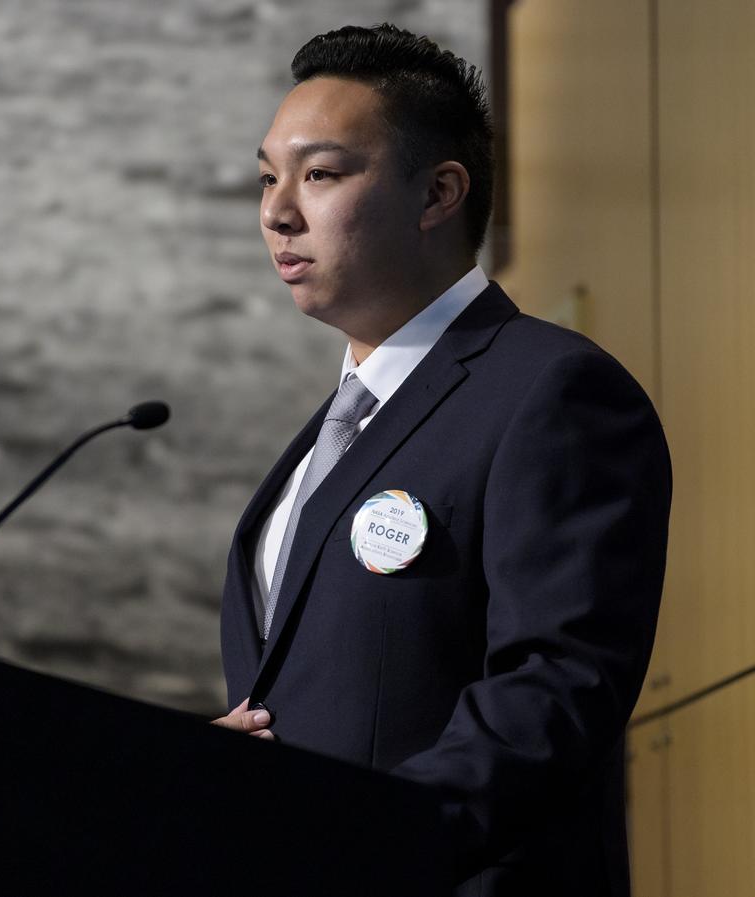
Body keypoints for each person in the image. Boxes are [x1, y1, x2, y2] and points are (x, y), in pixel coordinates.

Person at [210, 24, 671, 897]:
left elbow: (556, 687)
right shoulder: (320, 444)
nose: (276, 210)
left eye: (321, 174)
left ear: (439, 193)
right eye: (269, 176)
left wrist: (361, 833)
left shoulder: (552, 392)